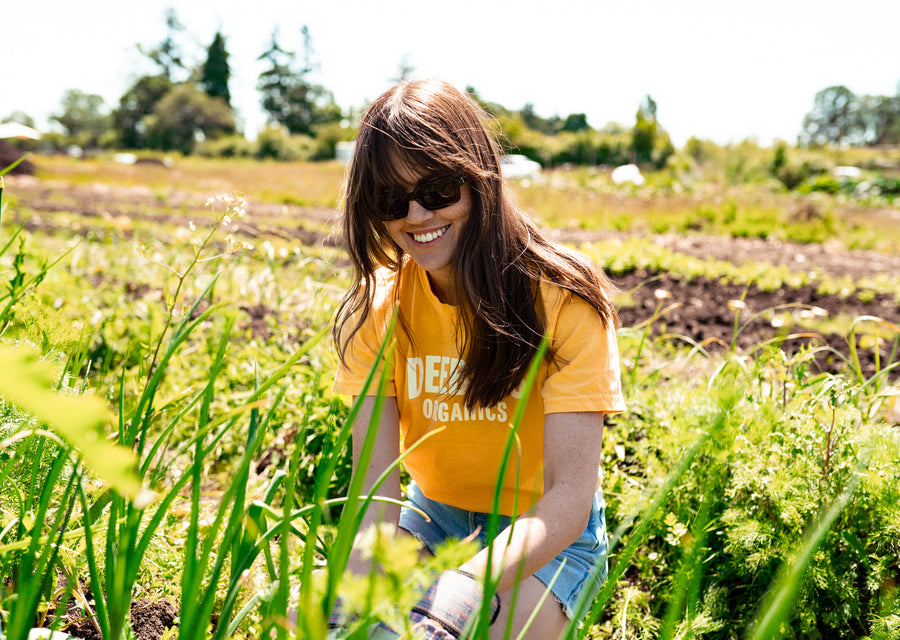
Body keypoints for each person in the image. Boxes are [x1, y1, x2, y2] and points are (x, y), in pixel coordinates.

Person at [332, 78, 625, 639]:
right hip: (431, 515)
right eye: (392, 201)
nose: (417, 215)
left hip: (544, 530)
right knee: (333, 623)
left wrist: (463, 587)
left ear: (480, 177)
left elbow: (569, 496)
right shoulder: (379, 305)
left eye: (439, 189)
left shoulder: (563, 295)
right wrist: (356, 601)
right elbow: (376, 485)